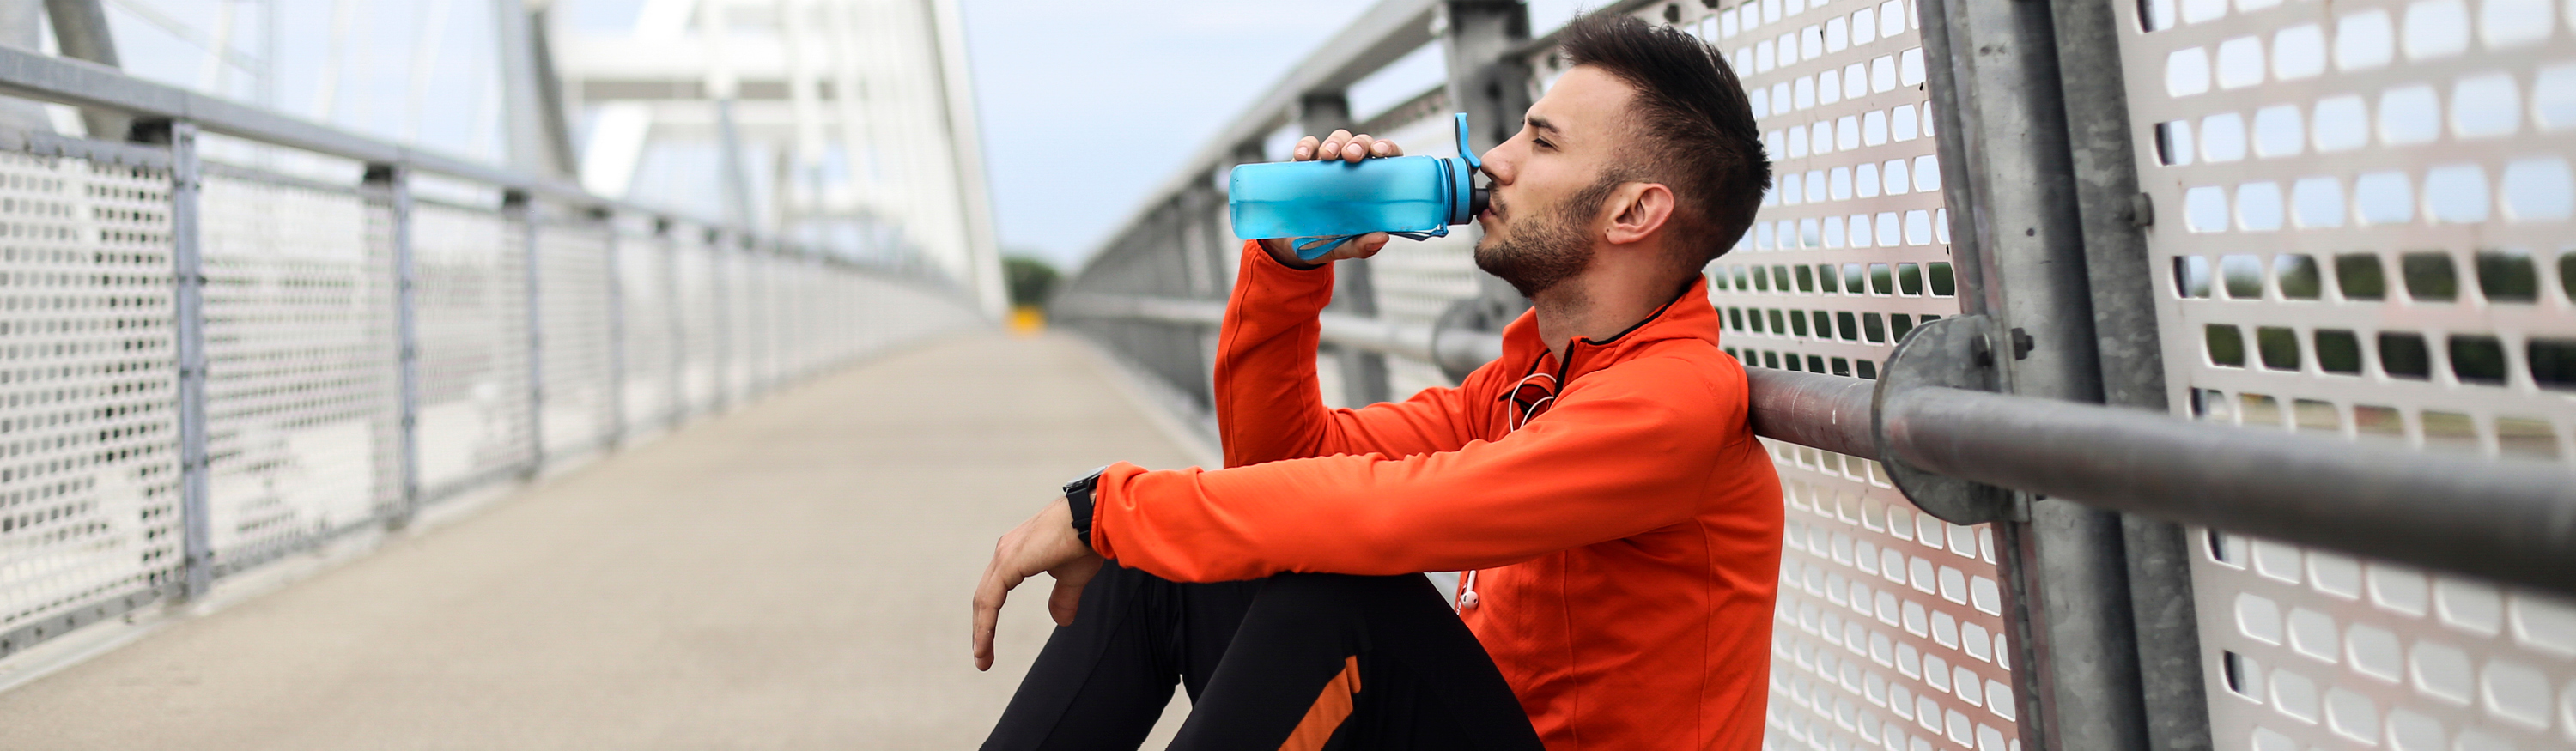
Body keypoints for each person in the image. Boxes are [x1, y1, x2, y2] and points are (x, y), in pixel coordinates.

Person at [970, 12, 1781, 750]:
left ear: (1633, 213)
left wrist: (1105, 506)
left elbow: (1385, 514)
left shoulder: (1674, 401)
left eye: (1541, 142)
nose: (1492, 160)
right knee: (1162, 564)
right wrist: (1292, 265)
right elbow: (1284, 469)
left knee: (1332, 597)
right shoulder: (1523, 386)